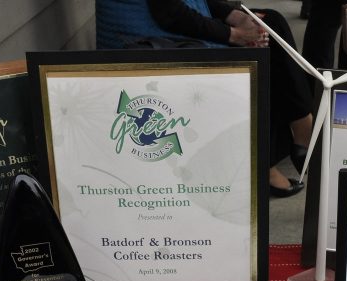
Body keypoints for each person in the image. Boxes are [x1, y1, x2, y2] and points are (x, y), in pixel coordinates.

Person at [97, 0, 314, 198]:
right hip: (144, 37)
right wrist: (235, 35)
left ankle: (301, 128)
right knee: (258, 46)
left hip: (167, 26)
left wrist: (235, 16)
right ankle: (274, 156)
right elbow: (170, 13)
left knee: (269, 22)